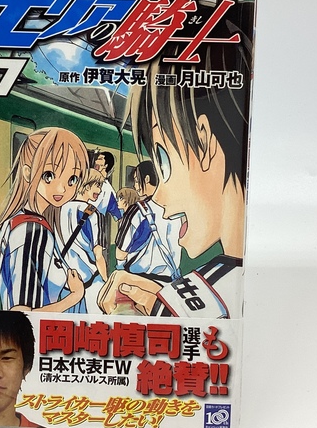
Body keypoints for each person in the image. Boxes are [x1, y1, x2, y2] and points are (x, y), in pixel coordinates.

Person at [98, 40, 251, 319]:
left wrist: (162, 308)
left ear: (204, 141)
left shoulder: (196, 304)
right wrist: (159, 300)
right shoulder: (233, 279)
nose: (158, 197)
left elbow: (121, 251)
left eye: (164, 161)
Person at [0, 127, 89, 313]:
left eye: (72, 179)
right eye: (49, 176)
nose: (62, 189)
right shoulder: (32, 231)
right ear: (27, 173)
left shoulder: (15, 222)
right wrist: (75, 296)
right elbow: (23, 314)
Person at [114, 161, 182, 283]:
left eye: (136, 180)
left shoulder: (137, 210)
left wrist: (120, 268)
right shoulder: (176, 210)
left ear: (146, 179)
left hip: (138, 281)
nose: (135, 186)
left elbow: (121, 252)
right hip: (169, 280)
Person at [57, 168, 108, 313]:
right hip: (90, 280)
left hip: (66, 282)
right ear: (86, 185)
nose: (100, 190)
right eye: (97, 185)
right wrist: (106, 280)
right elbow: (98, 254)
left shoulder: (60, 209)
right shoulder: (93, 213)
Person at [89, 150, 123, 221]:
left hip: (90, 221)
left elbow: (119, 214)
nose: (96, 161)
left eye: (99, 159)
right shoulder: (89, 180)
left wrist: (83, 217)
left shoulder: (106, 188)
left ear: (105, 165)